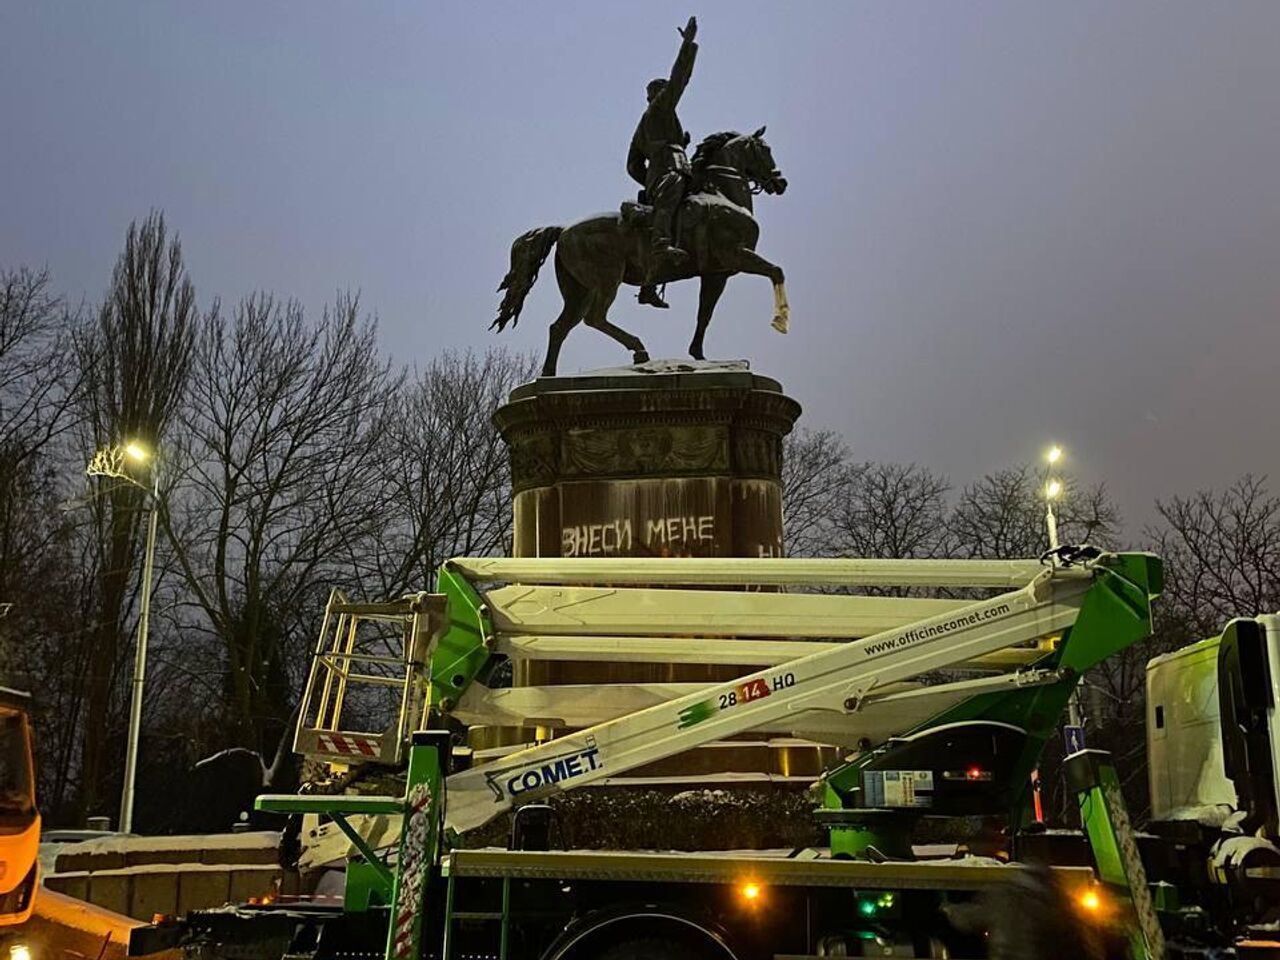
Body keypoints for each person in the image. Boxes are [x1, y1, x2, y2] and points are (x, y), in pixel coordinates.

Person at [627, 16, 698, 310]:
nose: (671, 94)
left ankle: (651, 283)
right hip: (671, 171)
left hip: (667, 170)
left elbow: (632, 165)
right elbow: (680, 76)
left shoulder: (649, 123)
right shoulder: (660, 107)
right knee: (673, 194)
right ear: (657, 95)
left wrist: (649, 179)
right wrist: (687, 44)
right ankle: (659, 245)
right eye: (666, 91)